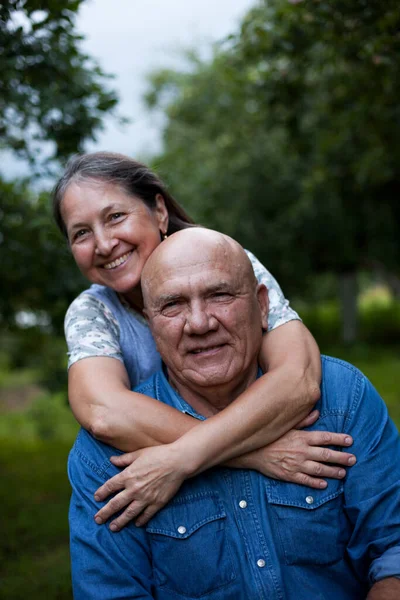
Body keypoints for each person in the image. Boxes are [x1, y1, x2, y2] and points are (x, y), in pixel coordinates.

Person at [68, 228, 400, 599]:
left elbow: (393, 549)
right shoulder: (106, 457)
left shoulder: (341, 399)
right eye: (172, 305)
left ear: (262, 305)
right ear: (151, 324)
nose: (199, 323)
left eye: (219, 295)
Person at [54, 151, 353, 525]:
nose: (103, 243)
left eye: (115, 217)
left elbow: (299, 377)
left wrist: (180, 457)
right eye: (81, 233)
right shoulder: (93, 312)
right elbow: (102, 411)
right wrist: (254, 453)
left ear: (159, 212)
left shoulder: (224, 261)